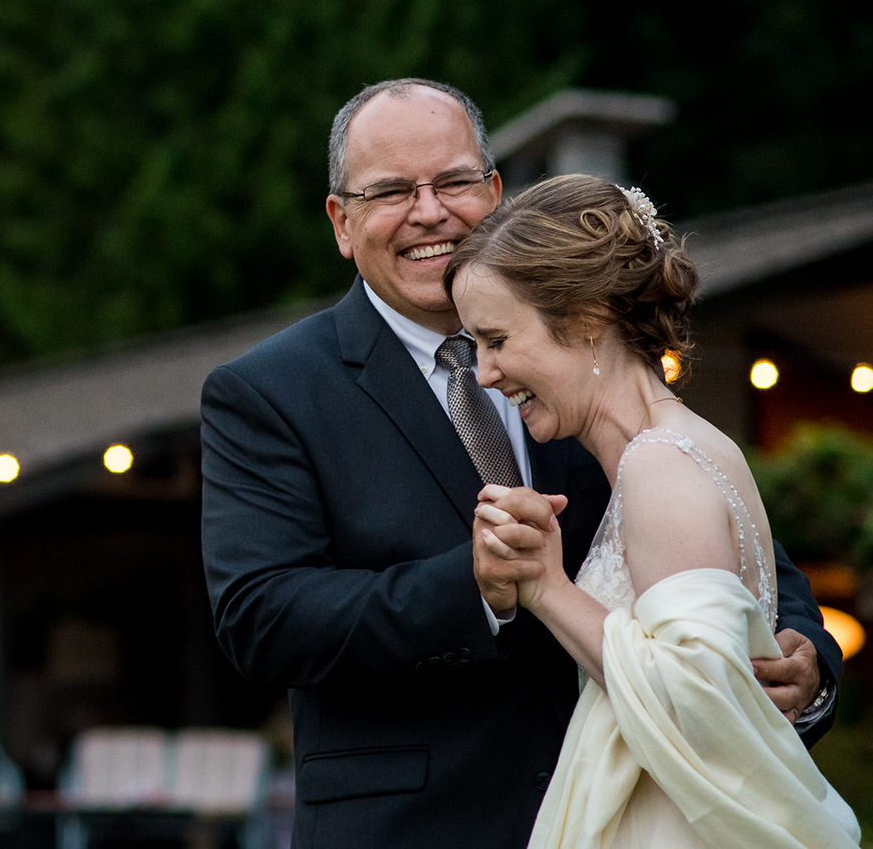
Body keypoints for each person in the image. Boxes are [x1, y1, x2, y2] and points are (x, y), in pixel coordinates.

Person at [200, 79, 837, 849]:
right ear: (341, 221)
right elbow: (260, 617)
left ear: (495, 191)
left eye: (455, 181)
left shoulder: (593, 355)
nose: (429, 211)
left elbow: (732, 542)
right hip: (412, 828)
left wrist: (811, 661)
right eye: (392, 190)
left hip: (631, 809)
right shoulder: (269, 392)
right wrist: (472, 585)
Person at [449, 174, 859, 847]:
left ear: (585, 319)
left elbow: (696, 700)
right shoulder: (672, 449)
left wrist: (547, 588)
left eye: (496, 340)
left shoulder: (659, 464)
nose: (486, 373)